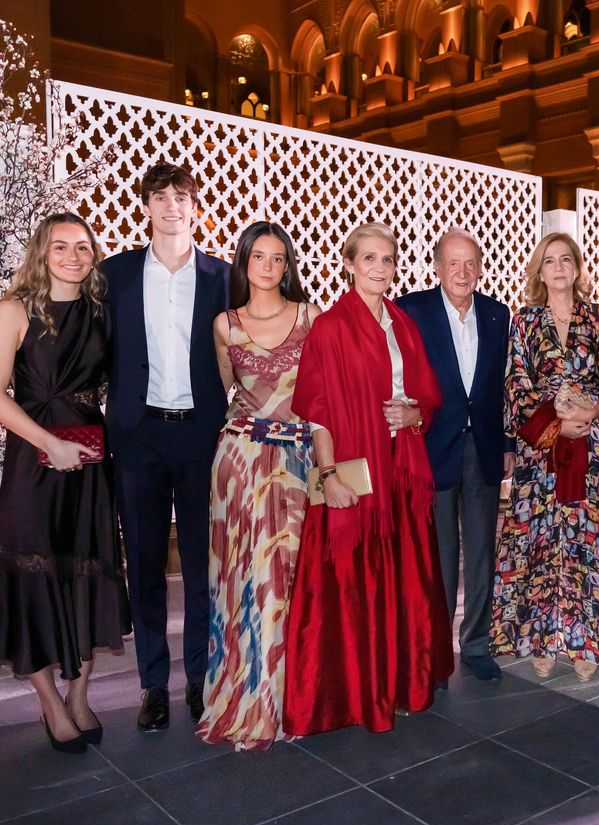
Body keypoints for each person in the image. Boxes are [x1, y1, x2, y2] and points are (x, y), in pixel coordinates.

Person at [284, 221, 453, 734]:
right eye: (370, 259)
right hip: (355, 477)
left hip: (401, 471)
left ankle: (403, 684)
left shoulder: (403, 324)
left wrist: (415, 416)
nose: (380, 268)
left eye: (388, 259)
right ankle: (356, 695)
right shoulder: (331, 327)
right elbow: (317, 410)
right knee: (355, 588)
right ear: (350, 264)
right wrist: (328, 474)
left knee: (403, 584)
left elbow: (426, 394)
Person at [102, 162, 230, 732]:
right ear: (146, 206)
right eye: (160, 196)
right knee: (147, 565)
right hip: (139, 434)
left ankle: (200, 682)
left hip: (203, 433)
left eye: (182, 195)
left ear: (195, 206)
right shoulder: (116, 275)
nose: (171, 205)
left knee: (204, 564)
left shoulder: (224, 278)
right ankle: (154, 685)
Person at [0, 214, 131, 752]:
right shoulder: (12, 311)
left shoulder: (102, 312)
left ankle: (79, 696)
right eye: (61, 246)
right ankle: (50, 703)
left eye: (82, 246)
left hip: (90, 461)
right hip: (33, 463)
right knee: (33, 574)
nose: (73, 255)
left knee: (87, 570)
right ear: (42, 252)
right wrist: (47, 443)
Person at [196, 223, 321, 751]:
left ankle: (291, 697)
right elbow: (229, 390)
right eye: (259, 257)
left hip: (295, 461)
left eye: (278, 258)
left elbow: (321, 391)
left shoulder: (309, 317)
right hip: (241, 463)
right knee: (243, 578)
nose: (268, 267)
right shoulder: (224, 325)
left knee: (288, 576)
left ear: (288, 265)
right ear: (243, 262)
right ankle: (249, 696)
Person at [490, 232, 599, 682]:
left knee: (589, 540)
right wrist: (556, 425)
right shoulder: (524, 321)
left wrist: (590, 412)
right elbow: (516, 387)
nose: (559, 267)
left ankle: (587, 643)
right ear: (540, 271)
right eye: (550, 261)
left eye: (567, 259)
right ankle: (541, 639)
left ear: (577, 267)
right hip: (542, 447)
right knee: (541, 540)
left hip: (591, 443)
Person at [396, 229, 511, 683]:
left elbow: (502, 388)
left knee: (481, 550)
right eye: (453, 264)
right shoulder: (412, 310)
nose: (462, 273)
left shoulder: (498, 314)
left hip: (481, 447)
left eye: (470, 264)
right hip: (432, 447)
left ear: (479, 268)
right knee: (439, 556)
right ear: (438, 268)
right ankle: (436, 651)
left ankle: (476, 644)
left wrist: (505, 445)